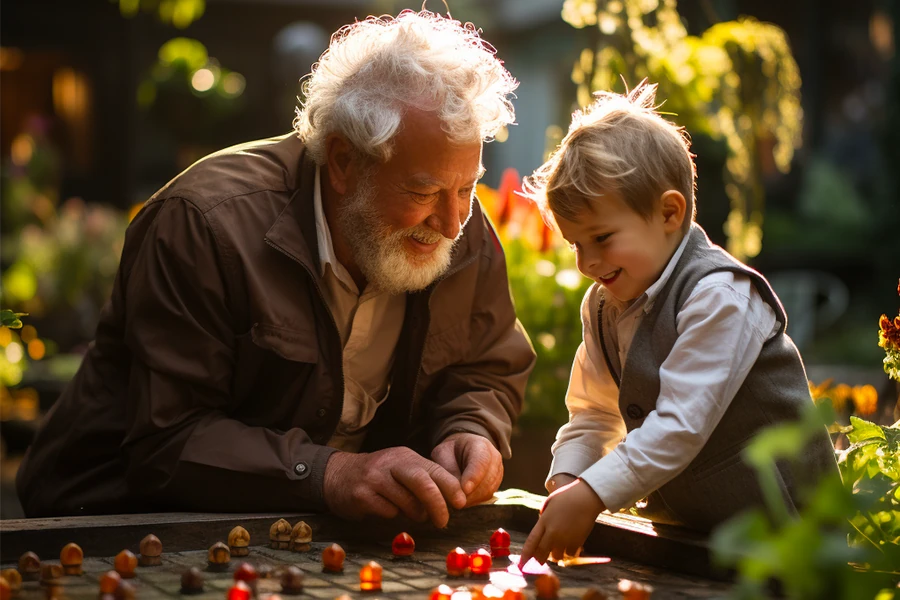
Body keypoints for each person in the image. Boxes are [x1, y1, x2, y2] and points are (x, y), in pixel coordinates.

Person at [17, 10, 535, 525]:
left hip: (321, 536)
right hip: (120, 524)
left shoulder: (463, 230)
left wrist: (471, 428)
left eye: (466, 188)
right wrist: (330, 474)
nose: (451, 223)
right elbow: (167, 439)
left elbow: (484, 364)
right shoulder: (203, 223)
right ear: (342, 162)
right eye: (423, 191)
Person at [517, 82, 837, 565]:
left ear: (670, 212)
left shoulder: (720, 296)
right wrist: (568, 481)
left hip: (790, 538)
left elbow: (680, 425)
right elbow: (593, 414)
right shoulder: (601, 307)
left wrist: (592, 494)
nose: (587, 261)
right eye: (575, 244)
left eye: (601, 237)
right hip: (696, 536)